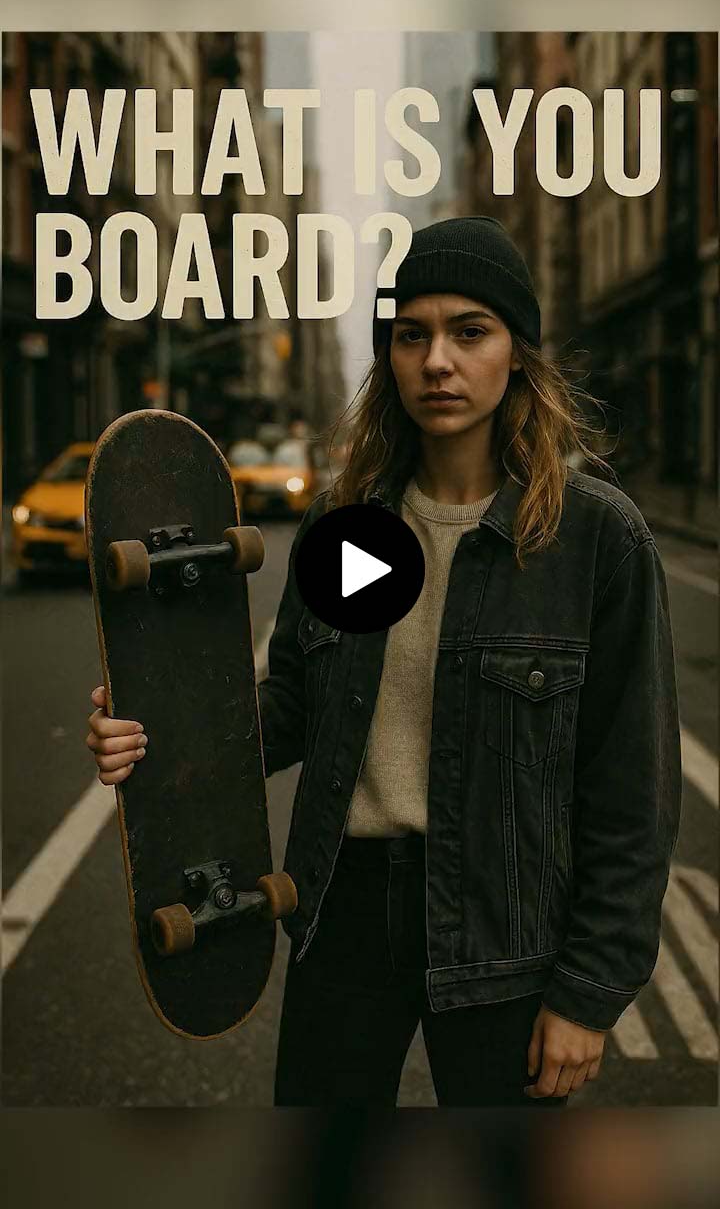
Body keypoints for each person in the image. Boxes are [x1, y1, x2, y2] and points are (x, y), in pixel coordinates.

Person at [87, 217, 682, 1107]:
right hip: (345, 917)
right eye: (412, 335)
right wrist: (154, 732)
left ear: (517, 353)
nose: (437, 360)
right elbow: (291, 706)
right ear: (390, 357)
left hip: (502, 931)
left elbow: (632, 791)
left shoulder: (591, 539)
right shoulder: (350, 526)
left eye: (468, 332)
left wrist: (590, 996)